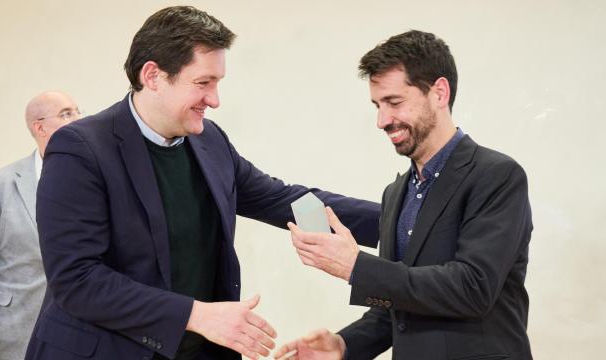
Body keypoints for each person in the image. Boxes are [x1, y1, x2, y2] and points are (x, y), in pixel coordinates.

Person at [24, 6, 380, 360]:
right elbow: (77, 280)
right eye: (202, 83)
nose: (214, 99)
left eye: (217, 83)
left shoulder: (210, 141)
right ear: (153, 76)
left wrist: (403, 221)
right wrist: (197, 315)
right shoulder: (80, 149)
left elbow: (286, 201)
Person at [276, 30, 533, 359]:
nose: (382, 120)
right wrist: (343, 345)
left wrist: (357, 266)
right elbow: (396, 305)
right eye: (377, 105)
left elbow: (473, 288)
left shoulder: (496, 175)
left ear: (439, 93)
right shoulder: (396, 193)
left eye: (394, 102)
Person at [0, 91, 81, 360]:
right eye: (66, 114)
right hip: (10, 331)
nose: (77, 119)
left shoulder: (89, 181)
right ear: (39, 127)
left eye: (77, 111)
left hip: (71, 331)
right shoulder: (2, 183)